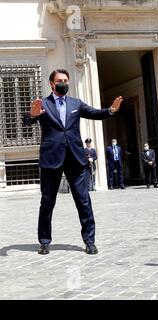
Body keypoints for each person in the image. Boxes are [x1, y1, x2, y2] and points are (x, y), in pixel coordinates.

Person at [24, 68, 123, 255]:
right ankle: (44, 241)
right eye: (60, 80)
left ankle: (89, 241)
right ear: (52, 84)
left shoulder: (75, 103)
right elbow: (27, 121)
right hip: (51, 159)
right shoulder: (43, 103)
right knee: (47, 201)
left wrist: (111, 110)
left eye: (66, 80)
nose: (64, 83)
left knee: (83, 200)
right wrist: (32, 115)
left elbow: (94, 113)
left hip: (75, 160)